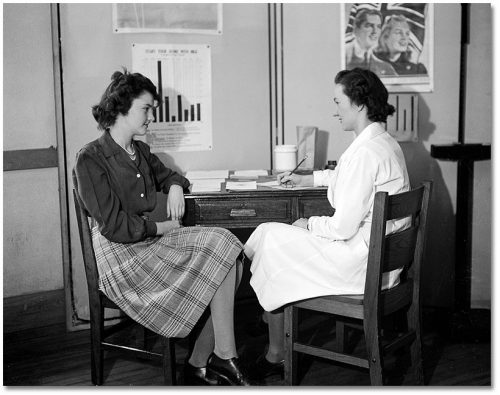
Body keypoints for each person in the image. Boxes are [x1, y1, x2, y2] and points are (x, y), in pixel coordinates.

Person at [73, 69, 256, 386]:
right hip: (120, 255)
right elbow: (114, 226)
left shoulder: (140, 151)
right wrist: (162, 228)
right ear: (121, 107)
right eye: (146, 108)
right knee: (224, 251)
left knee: (229, 249)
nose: (150, 117)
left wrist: (173, 187)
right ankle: (212, 360)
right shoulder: (90, 158)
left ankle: (211, 358)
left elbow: (174, 177)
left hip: (145, 242)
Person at [244, 68, 410, 380]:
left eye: (338, 102)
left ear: (358, 104)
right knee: (276, 239)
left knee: (271, 236)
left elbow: (341, 228)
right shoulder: (383, 143)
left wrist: (309, 224)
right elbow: (347, 179)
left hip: (363, 267)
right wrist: (310, 177)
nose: (335, 111)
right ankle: (270, 315)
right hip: (382, 262)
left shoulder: (365, 153)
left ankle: (274, 340)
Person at [345, 9, 397, 76]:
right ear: (356, 29)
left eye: (378, 26)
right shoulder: (339, 55)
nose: (375, 31)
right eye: (369, 25)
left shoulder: (387, 69)